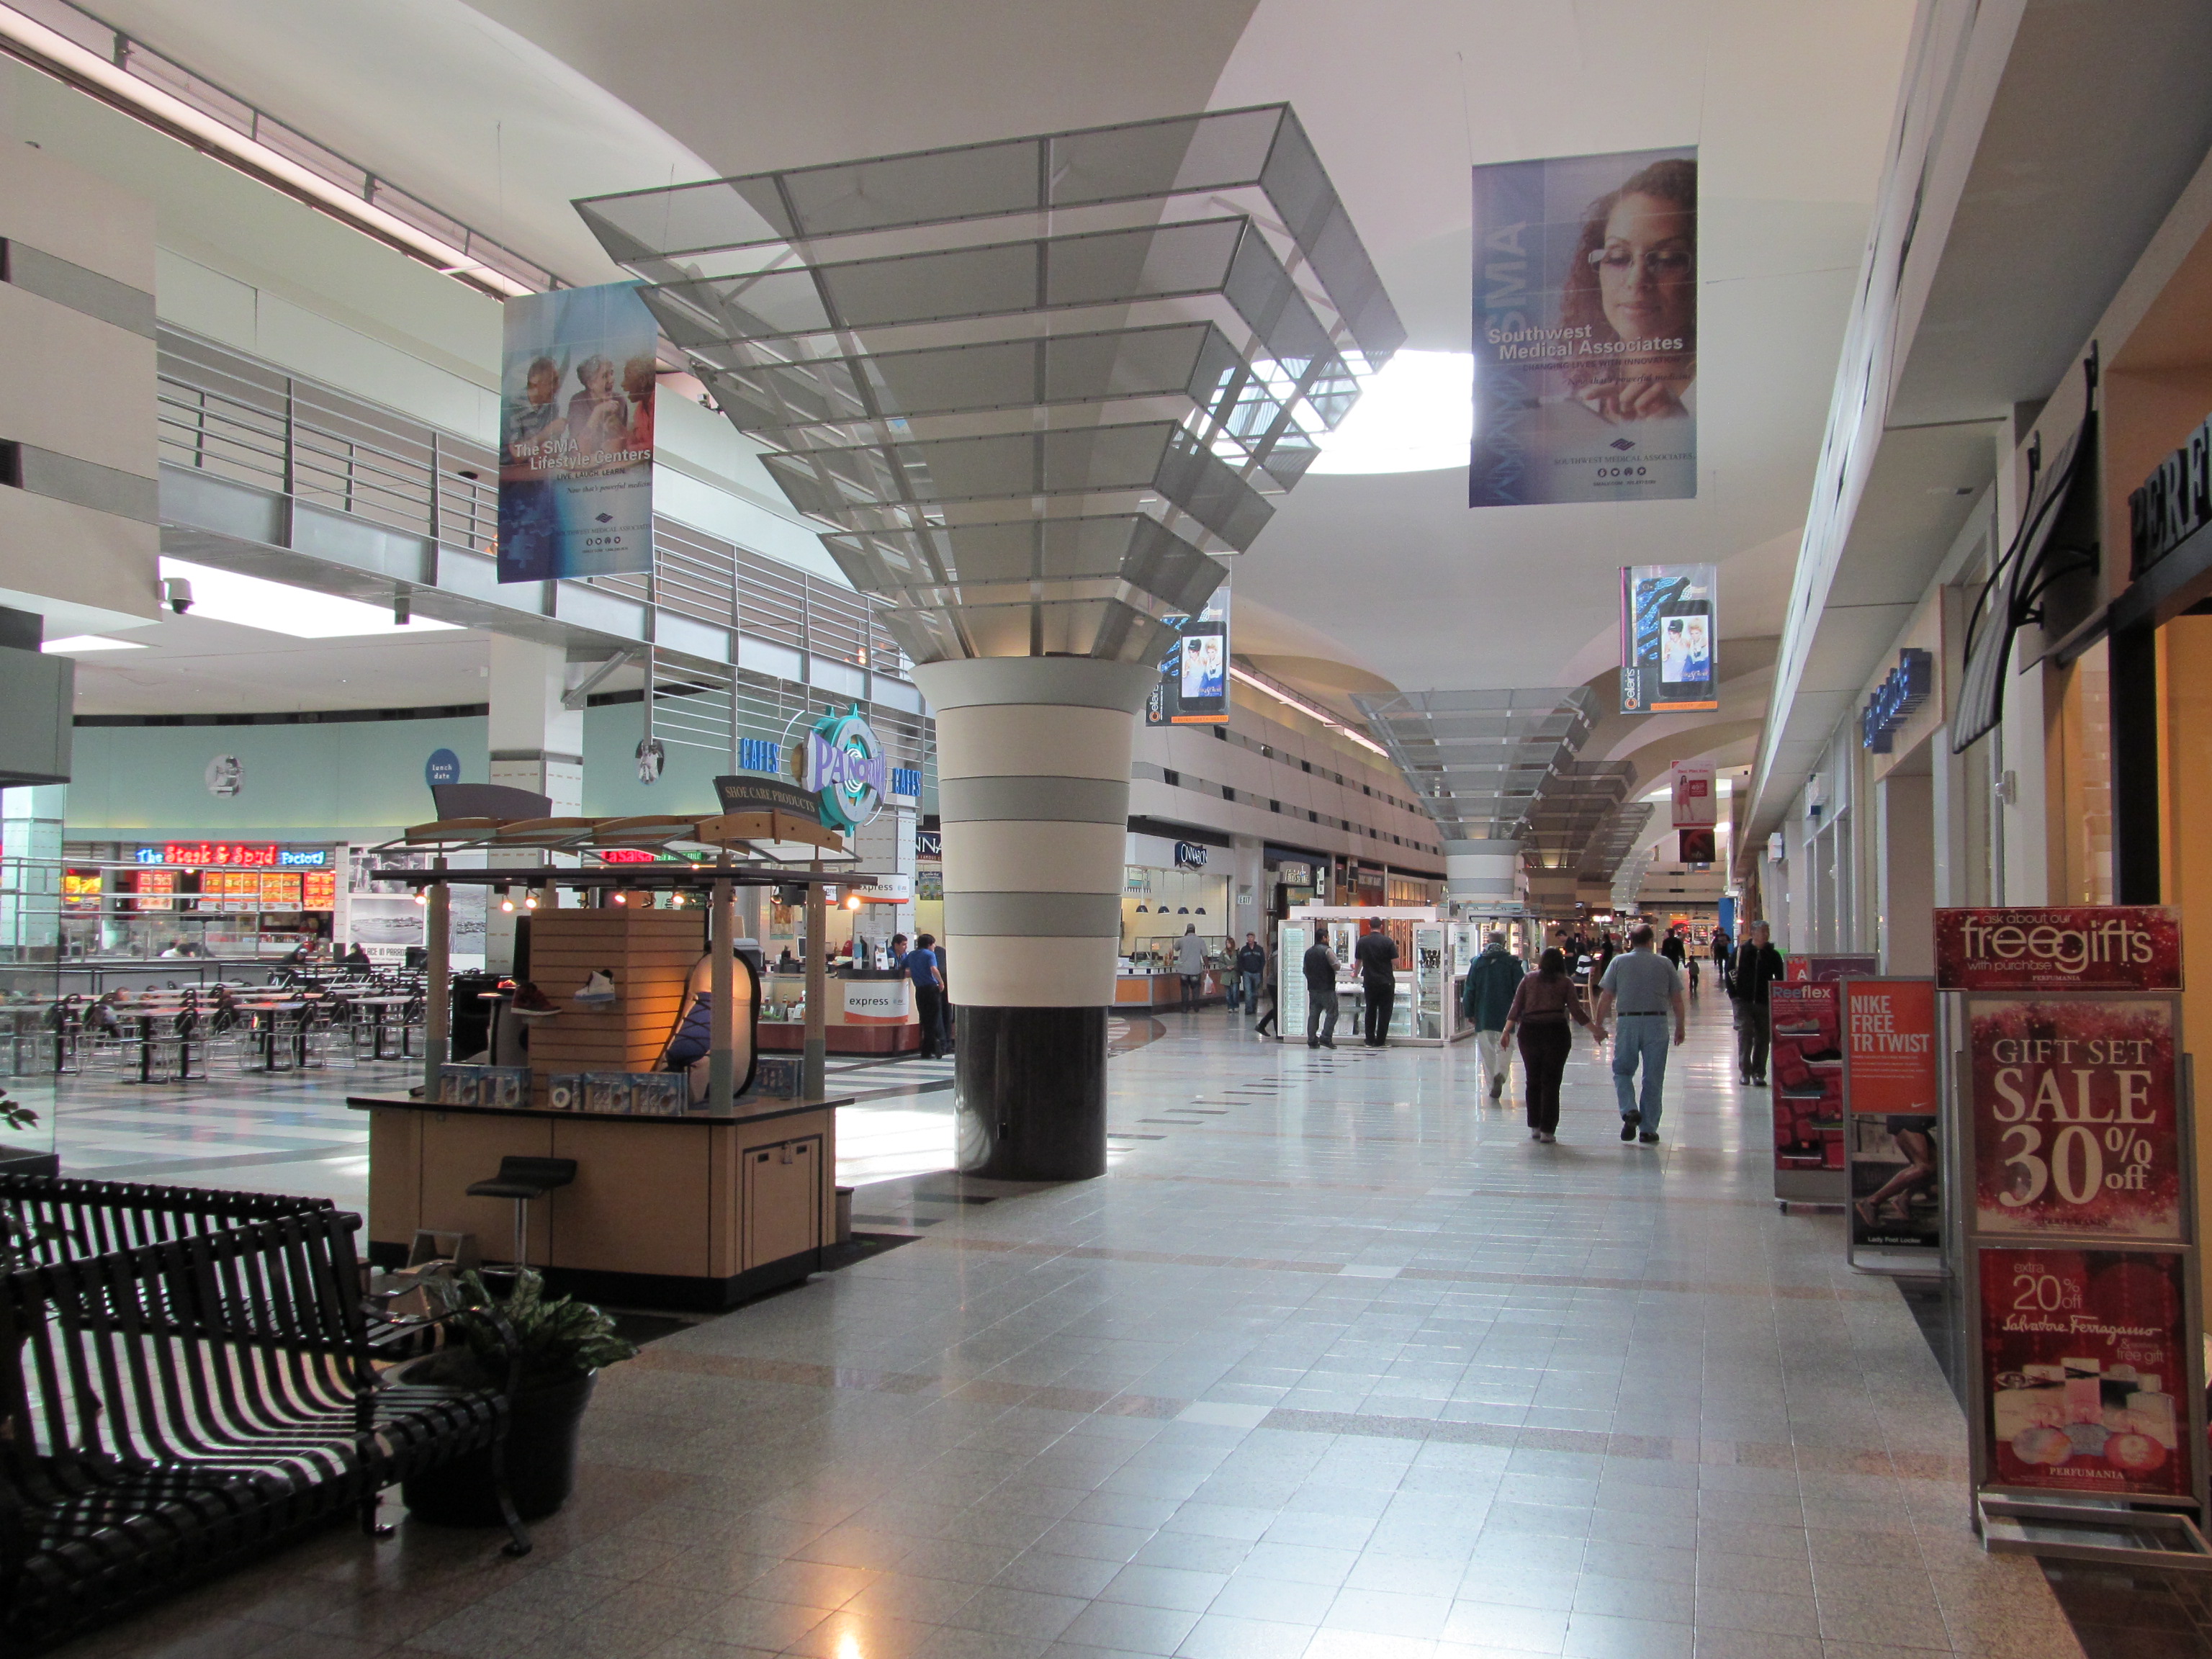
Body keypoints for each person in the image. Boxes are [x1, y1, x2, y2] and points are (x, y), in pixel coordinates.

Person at [1560, 156, 1696, 424]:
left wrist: (1680, 433)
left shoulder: (1730, 395)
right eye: (1618, 258)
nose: (1637, 280)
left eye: (1667, 259)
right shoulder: (1579, 404)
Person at [1593, 923, 1686, 1145]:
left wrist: (1598, 1025)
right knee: (1654, 1077)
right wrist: (1680, 1027)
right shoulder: (1665, 963)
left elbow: (1606, 997)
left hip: (1628, 1022)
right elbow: (1677, 999)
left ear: (1631, 942)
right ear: (1651, 941)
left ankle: (1629, 1110)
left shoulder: (1619, 962)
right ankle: (1648, 1130)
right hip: (1657, 1023)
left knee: (1622, 1071)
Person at [1501, 948, 1593, 1143]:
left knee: (1533, 1079)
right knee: (1552, 1081)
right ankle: (1547, 1130)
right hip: (1556, 1032)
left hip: (1530, 1031)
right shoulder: (1565, 982)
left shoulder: (1529, 979)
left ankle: (1534, 1126)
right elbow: (1576, 1011)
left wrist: (1506, 1031)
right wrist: (1596, 1030)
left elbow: (1516, 1006)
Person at [1461, 932, 1525, 1101]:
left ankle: (1491, 1084)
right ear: (1505, 942)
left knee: (1487, 1050)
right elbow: (1520, 991)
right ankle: (1501, 1075)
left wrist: (1469, 1012)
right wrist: (1520, 1013)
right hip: (1507, 1015)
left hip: (1483, 1014)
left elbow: (1470, 989)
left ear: (1487, 942)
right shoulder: (1512, 963)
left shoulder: (1477, 962)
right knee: (1506, 1047)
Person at [1856, 1115, 1939, 1232]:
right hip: (1909, 1121)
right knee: (1922, 1168)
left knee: (1935, 1165)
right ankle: (1872, 1202)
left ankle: (1903, 1200)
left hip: (1917, 1122)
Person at [1730, 921, 1786, 1086]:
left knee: (1763, 1037)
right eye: (1763, 931)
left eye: (1767, 931)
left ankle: (1759, 1073)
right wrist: (1734, 996)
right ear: (1753, 933)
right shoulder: (1741, 952)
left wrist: (1776, 997)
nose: (1766, 935)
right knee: (1745, 1033)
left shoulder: (1773, 955)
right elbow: (1730, 973)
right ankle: (1745, 1072)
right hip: (1743, 1001)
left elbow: (1780, 978)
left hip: (1764, 1001)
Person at [1354, 919, 1399, 1046]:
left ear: (1369, 926)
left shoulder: (1362, 942)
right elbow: (1396, 963)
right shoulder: (1388, 942)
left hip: (1370, 982)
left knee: (1370, 1010)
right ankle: (1380, 1041)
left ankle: (1369, 1039)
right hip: (1386, 982)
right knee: (1385, 1012)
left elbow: (1358, 961)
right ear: (1381, 926)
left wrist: (1355, 973)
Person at [903, 932, 946, 1059]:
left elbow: (903, 967)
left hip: (919, 990)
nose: (935, 946)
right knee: (933, 1020)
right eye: (933, 944)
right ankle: (931, 1048)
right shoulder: (929, 954)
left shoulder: (912, 954)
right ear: (929, 944)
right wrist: (941, 982)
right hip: (931, 989)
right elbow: (934, 969)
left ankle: (928, 1048)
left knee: (925, 1019)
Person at [1303, 934, 1340, 1048]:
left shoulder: (1308, 952)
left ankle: (1312, 1039)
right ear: (1323, 938)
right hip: (1327, 987)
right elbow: (1336, 966)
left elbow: (1305, 970)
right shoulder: (1327, 951)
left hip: (1313, 988)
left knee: (1314, 1014)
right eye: (1327, 937)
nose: (1328, 939)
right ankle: (1326, 1037)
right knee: (1332, 1012)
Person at [1173, 924, 1207, 1012]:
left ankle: (1184, 1008)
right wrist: (1207, 967)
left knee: (1184, 988)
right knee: (1196, 988)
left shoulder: (1181, 940)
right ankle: (1196, 1007)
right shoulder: (1200, 940)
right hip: (1195, 969)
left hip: (1184, 969)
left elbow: (1176, 948)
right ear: (1195, 930)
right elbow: (1205, 955)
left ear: (1187, 930)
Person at [1252, 945, 1280, 1038]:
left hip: (1274, 983)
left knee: (1277, 1008)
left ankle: (1262, 1025)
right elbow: (1277, 972)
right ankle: (1277, 1032)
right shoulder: (1277, 955)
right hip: (1275, 984)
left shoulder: (1276, 954)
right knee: (1277, 1008)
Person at [1234, 933, 1264, 1016]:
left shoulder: (1259, 949)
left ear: (1254, 938)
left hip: (1257, 973)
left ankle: (1254, 1007)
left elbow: (1263, 961)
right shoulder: (1244, 950)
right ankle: (1248, 1009)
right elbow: (1240, 961)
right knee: (1247, 992)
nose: (1250, 939)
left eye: (1251, 937)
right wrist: (1243, 971)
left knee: (1255, 992)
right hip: (1247, 973)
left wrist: (1260, 970)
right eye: (1248, 937)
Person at [1710, 927, 1733, 994]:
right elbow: (1714, 942)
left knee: (1726, 961)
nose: (1721, 932)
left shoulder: (1725, 936)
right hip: (1719, 951)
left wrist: (1726, 942)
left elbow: (1730, 941)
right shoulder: (1718, 936)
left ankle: (1725, 970)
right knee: (1720, 962)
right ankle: (1721, 971)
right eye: (1720, 931)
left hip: (1724, 951)